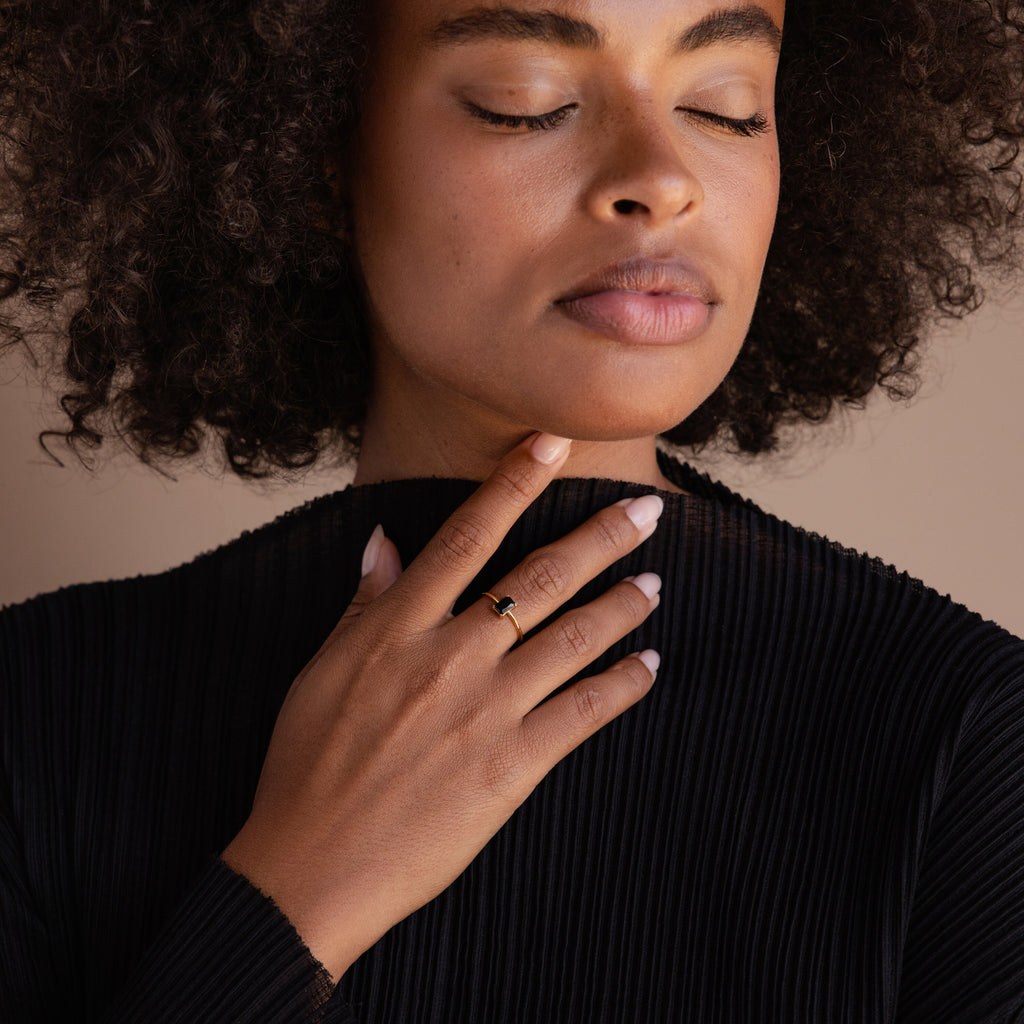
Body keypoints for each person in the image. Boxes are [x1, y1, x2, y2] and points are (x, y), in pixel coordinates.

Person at [1, 0, 1023, 1021]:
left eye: (724, 107)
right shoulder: (36, 711)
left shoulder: (967, 731)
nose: (662, 181)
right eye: (525, 104)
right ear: (322, 153)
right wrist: (291, 894)